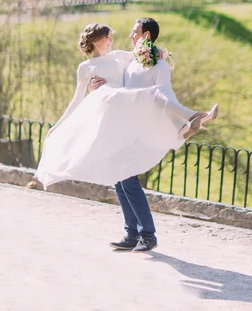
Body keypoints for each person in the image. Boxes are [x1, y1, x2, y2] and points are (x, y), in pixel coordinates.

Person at [34, 18, 218, 252]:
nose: (113, 39)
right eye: (108, 36)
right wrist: (60, 123)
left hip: (125, 115)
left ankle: (147, 235)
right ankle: (132, 233)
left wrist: (159, 51)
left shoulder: (120, 56)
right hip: (110, 124)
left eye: (114, 36)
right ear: (96, 40)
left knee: (127, 176)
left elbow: (145, 54)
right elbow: (76, 100)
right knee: (120, 179)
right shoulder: (86, 68)